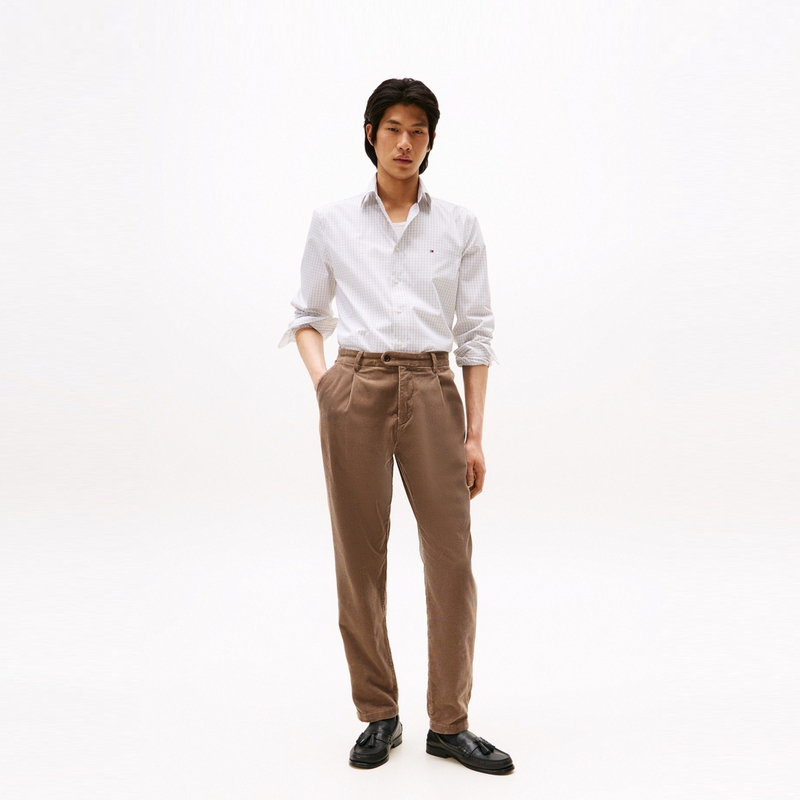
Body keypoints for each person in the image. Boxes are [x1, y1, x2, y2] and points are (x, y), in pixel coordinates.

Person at [278, 77, 514, 775]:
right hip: (356, 384)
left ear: (430, 142)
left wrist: (474, 433)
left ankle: (450, 722)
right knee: (360, 558)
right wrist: (327, 385)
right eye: (393, 129)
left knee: (452, 559)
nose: (405, 142)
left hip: (434, 387)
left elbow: (476, 332)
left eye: (418, 131)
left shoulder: (459, 224)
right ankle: (379, 713)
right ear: (371, 135)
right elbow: (306, 314)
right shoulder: (332, 221)